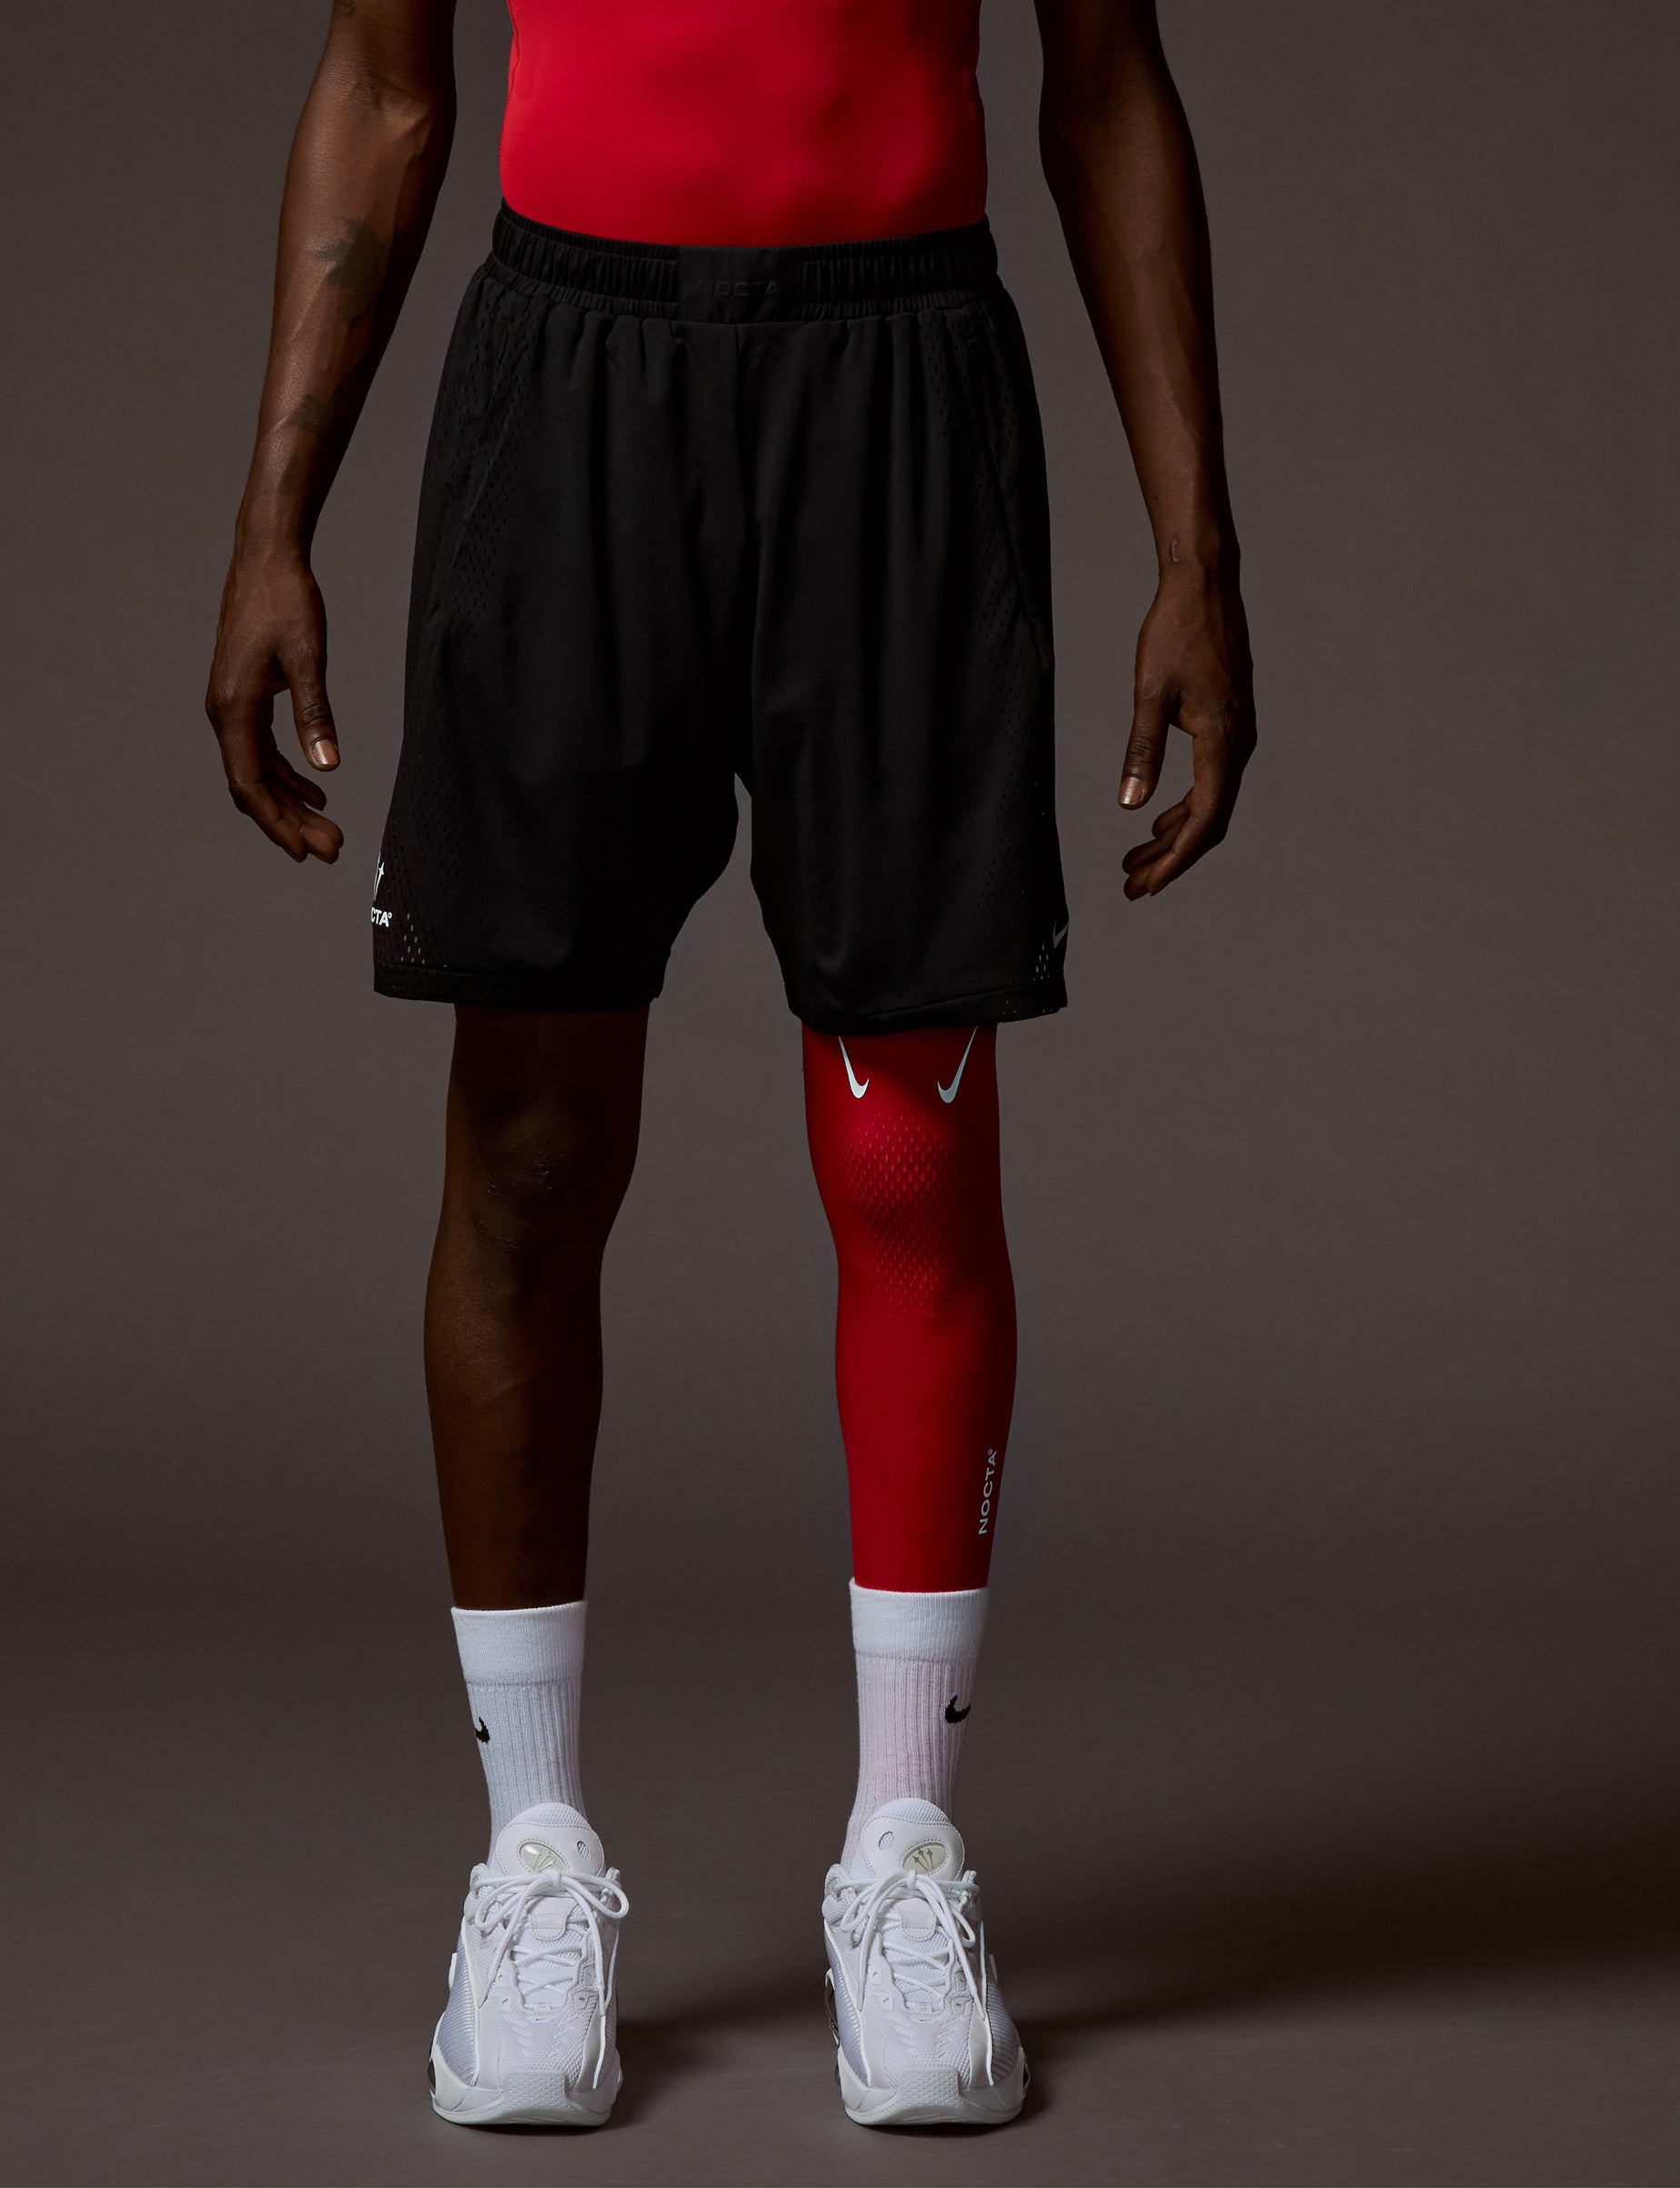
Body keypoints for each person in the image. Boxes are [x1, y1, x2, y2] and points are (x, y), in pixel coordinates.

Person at [204, 0, 1254, 2131]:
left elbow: (1110, 84)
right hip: (572, 381)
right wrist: (271, 519)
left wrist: (1198, 551)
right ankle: (530, 1857)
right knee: (528, 1151)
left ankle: (905, 1850)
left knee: (910, 1153)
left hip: (897, 386)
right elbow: (386, 84)